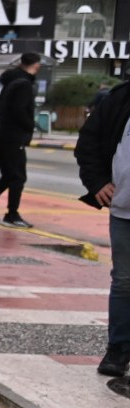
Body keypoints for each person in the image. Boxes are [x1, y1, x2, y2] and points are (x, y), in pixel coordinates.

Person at [75, 76, 130, 381]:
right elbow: (88, 143)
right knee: (124, 281)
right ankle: (119, 349)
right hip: (125, 210)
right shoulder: (120, 99)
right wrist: (96, 183)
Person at [0, 53, 42, 228]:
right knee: (18, 177)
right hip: (14, 135)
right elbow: (19, 110)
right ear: (36, 66)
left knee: (9, 176)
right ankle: (12, 214)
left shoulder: (11, 81)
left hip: (5, 135)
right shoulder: (24, 84)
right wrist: (30, 125)